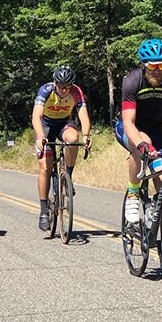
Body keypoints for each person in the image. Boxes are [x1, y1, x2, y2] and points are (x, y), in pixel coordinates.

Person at [115, 38, 162, 224]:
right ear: (143, 65)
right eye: (152, 66)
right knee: (140, 144)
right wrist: (141, 144)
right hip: (129, 128)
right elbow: (128, 122)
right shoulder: (132, 81)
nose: (157, 71)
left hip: (156, 129)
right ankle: (134, 193)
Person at [32, 66, 92, 231]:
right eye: (61, 85)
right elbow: (36, 116)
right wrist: (40, 136)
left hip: (63, 123)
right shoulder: (46, 90)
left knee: (73, 139)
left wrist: (86, 136)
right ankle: (44, 211)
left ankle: (67, 179)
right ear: (55, 82)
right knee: (45, 166)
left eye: (68, 86)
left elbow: (83, 116)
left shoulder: (76, 92)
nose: (65, 89)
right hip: (45, 125)